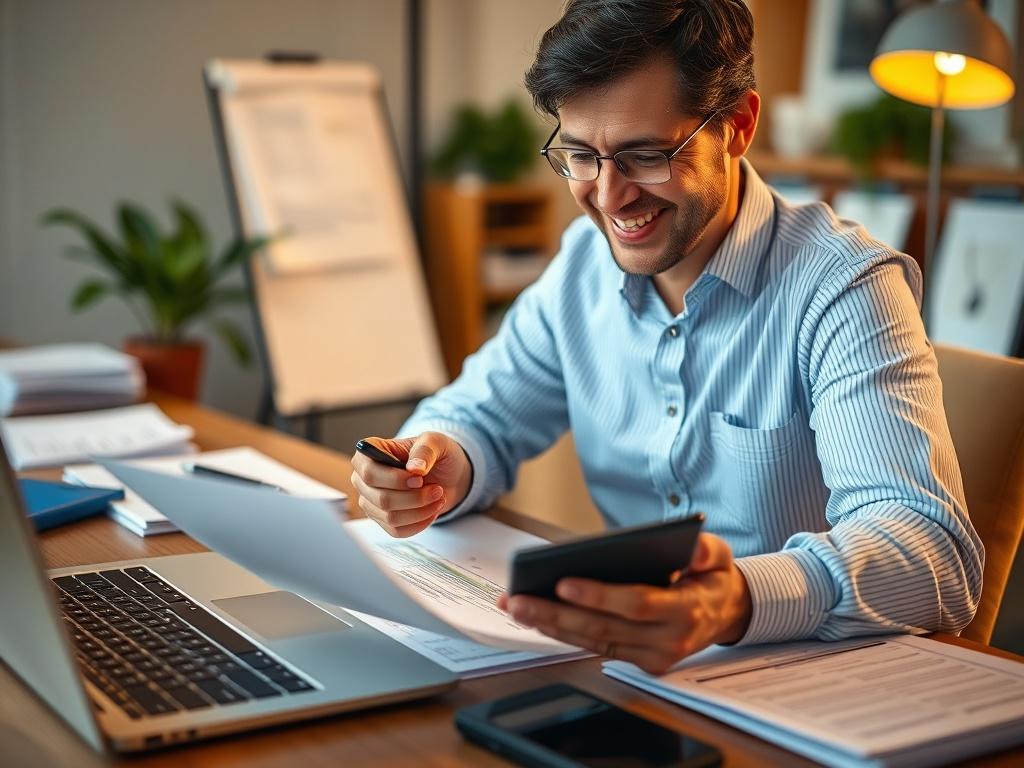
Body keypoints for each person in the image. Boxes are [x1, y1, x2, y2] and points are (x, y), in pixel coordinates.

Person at [350, 0, 982, 674]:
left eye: (646, 155)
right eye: (581, 156)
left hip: (812, 691)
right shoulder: (583, 267)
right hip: (634, 675)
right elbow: (479, 415)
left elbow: (932, 553)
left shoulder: (843, 289)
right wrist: (439, 464)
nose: (609, 196)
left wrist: (737, 601)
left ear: (738, 126)